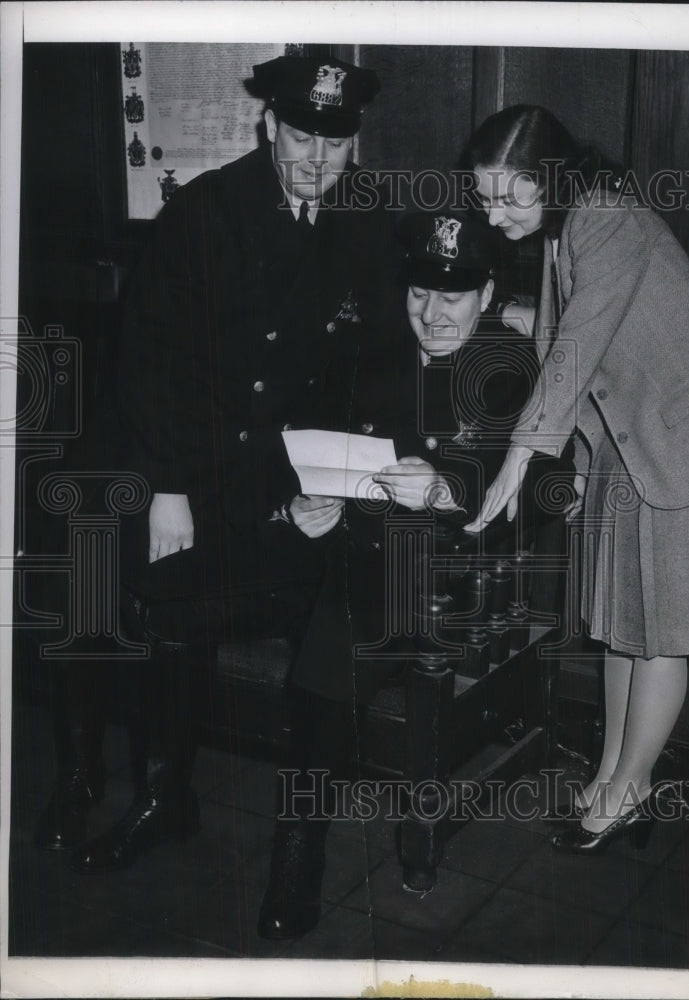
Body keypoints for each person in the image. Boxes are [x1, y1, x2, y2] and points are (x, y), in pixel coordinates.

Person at [40, 54, 395, 873]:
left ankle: (288, 843)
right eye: (301, 135)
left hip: (293, 478)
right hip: (186, 460)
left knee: (336, 602)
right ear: (268, 124)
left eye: (334, 144)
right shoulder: (207, 212)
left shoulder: (367, 219)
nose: (316, 159)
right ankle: (146, 791)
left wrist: (338, 483)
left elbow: (371, 365)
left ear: (356, 143)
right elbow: (151, 361)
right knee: (114, 579)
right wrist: (168, 487)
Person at [257, 210, 571, 939]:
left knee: (338, 638)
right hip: (362, 557)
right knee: (322, 657)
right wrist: (310, 499)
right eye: (418, 294)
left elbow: (547, 491)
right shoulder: (370, 349)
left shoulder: (516, 367)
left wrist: (449, 489)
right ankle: (298, 850)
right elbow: (303, 433)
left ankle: (303, 842)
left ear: (488, 291)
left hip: (462, 573)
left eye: (452, 297)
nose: (431, 314)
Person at [463, 105, 689, 853]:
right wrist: (570, 465)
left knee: (660, 633)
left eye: (509, 196)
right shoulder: (561, 227)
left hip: (684, 445)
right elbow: (554, 340)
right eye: (483, 198)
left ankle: (630, 788)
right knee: (617, 626)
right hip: (621, 443)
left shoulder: (606, 217)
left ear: (552, 178)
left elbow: (576, 347)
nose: (493, 212)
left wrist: (521, 457)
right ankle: (611, 771)